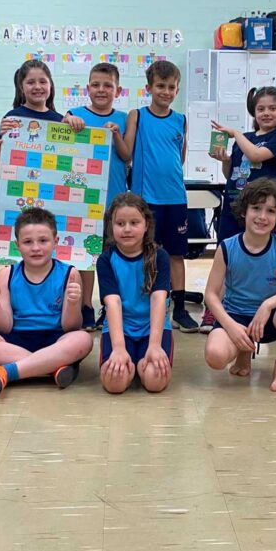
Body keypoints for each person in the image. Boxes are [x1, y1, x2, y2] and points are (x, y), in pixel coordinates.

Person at [203, 178, 276, 392]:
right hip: (236, 317)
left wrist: (268, 305)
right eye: (256, 208)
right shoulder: (227, 247)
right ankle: (243, 351)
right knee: (215, 356)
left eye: (271, 211)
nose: (263, 216)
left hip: (270, 320)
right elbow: (210, 295)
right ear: (244, 211)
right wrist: (230, 326)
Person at [0, 208, 93, 398]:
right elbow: (2, 328)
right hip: (15, 342)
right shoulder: (6, 275)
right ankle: (51, 368)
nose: (36, 248)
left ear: (55, 242)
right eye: (28, 242)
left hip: (55, 340)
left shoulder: (70, 274)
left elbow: (71, 326)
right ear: (17, 245)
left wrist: (74, 302)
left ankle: (7, 372)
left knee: (83, 339)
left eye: (43, 240)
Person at [201, 85, 276, 332]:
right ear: (254, 111)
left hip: (263, 211)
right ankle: (214, 310)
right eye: (261, 108)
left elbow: (255, 155)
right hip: (235, 206)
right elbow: (232, 173)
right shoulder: (245, 138)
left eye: (273, 108)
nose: (266, 113)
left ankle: (260, 308)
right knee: (225, 258)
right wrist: (226, 160)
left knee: (262, 260)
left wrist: (234, 133)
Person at [125, 60, 198, 331]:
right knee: (147, 253)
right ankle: (145, 305)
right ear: (149, 88)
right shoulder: (137, 116)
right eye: (160, 86)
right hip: (146, 200)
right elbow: (127, 152)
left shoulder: (181, 120)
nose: (166, 92)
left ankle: (179, 308)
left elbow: (180, 157)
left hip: (176, 198)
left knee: (176, 254)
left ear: (177, 90)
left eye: (171, 87)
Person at [67, 62, 129, 331]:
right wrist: (67, 122)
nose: (101, 90)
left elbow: (127, 156)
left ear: (118, 90)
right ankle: (86, 307)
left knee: (111, 257)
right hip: (81, 201)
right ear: (87, 88)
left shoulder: (125, 119)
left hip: (114, 202)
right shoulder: (74, 115)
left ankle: (110, 306)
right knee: (85, 257)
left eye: (108, 85)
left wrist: (116, 135)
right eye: (96, 85)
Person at [97, 193, 174, 393]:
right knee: (114, 384)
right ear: (111, 226)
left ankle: (141, 366)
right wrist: (119, 348)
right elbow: (112, 303)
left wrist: (154, 345)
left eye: (134, 222)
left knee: (155, 382)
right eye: (120, 223)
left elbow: (158, 299)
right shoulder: (105, 260)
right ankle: (131, 364)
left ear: (146, 224)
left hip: (152, 329)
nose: (127, 229)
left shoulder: (160, 257)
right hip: (120, 329)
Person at [0, 59, 85, 139]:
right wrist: (2, 138)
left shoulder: (60, 121)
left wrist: (74, 125)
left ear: (50, 85)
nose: (37, 87)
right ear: (21, 87)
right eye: (31, 82)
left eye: (43, 82)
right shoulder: (12, 118)